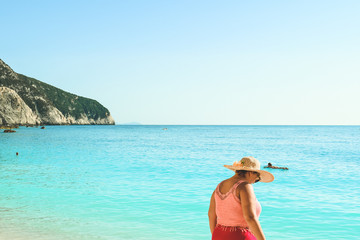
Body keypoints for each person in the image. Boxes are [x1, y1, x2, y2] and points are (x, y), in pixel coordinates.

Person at [208, 156, 274, 240]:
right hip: (240, 236)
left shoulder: (219, 186)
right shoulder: (244, 186)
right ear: (251, 173)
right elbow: (250, 217)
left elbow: (211, 215)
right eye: (257, 179)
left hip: (218, 234)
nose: (255, 181)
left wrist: (216, 236)